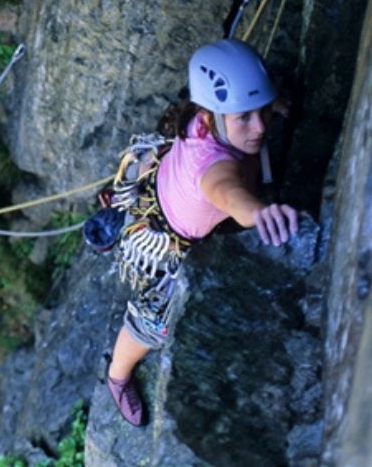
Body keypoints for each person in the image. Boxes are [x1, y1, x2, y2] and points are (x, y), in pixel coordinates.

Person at [101, 39, 299, 426]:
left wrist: (264, 105)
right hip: (164, 237)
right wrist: (260, 213)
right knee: (153, 323)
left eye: (261, 112)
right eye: (245, 117)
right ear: (211, 117)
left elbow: (243, 121)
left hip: (159, 181)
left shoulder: (208, 113)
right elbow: (229, 193)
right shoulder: (211, 170)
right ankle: (117, 376)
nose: (259, 127)